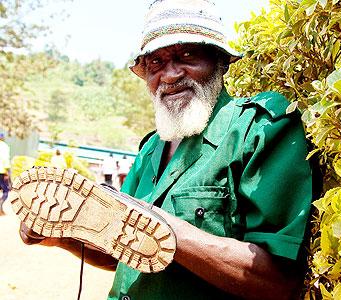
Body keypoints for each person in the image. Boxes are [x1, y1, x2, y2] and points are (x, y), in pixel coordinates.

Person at [17, 1, 313, 299]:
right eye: (155, 63)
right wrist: (64, 237)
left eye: (187, 55)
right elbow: (123, 249)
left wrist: (162, 226)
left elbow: (279, 281)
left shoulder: (260, 128)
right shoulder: (151, 148)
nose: (170, 75)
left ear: (220, 62)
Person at [0, 133, 11, 215]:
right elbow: (5, 159)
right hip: (2, 172)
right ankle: (0, 205)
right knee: (6, 191)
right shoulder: (4, 146)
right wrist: (7, 172)